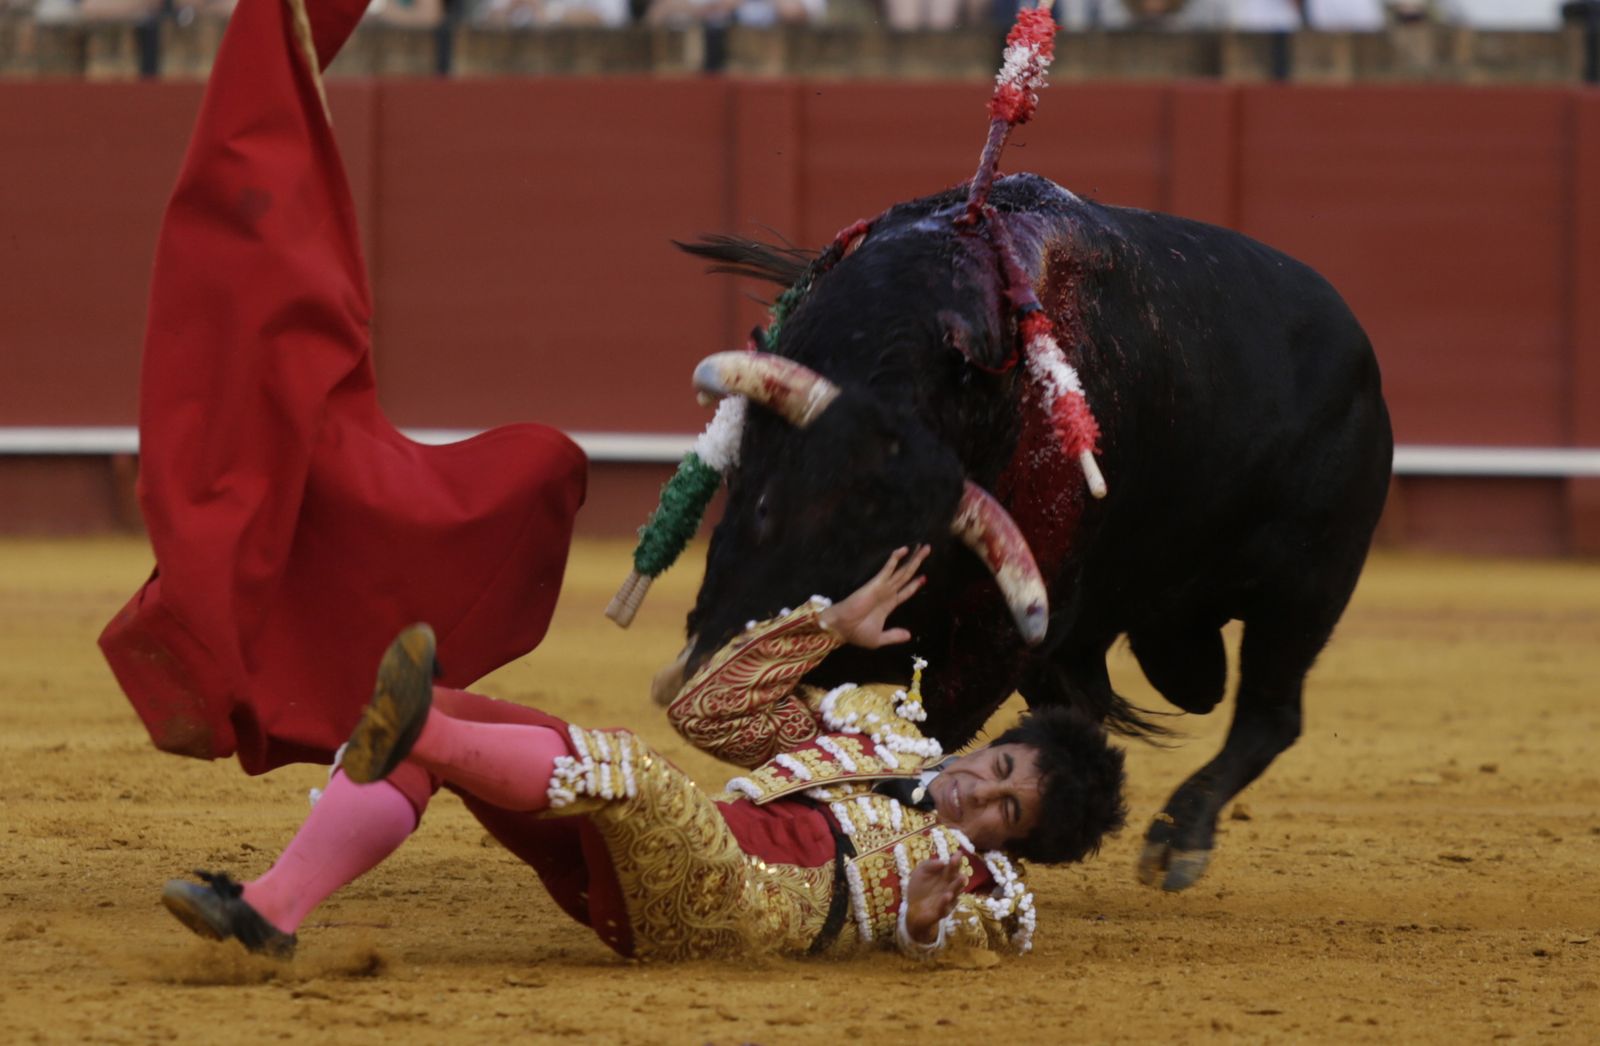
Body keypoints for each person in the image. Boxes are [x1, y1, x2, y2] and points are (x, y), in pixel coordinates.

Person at [162, 548, 1129, 961]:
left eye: (1009, 814)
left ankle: (411, 729)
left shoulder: (989, 891)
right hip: (658, 862)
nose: (981, 797)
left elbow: (967, 945)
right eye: (1001, 772)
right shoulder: (877, 733)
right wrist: (826, 628)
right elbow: (709, 711)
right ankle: (272, 911)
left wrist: (920, 923)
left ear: (1020, 847)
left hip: (728, 907)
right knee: (458, 716)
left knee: (627, 773)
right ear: (996, 745)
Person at [97, 0, 586, 777]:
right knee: (485, 482)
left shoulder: (234, 198)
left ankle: (246, 662)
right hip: (297, 412)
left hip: (281, 411)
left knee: (292, 512)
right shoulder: (260, 210)